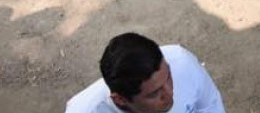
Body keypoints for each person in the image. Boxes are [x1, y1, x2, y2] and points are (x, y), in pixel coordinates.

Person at [65, 32, 225, 113]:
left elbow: (210, 106)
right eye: (154, 93)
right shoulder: (83, 110)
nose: (170, 93)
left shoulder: (182, 63)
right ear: (120, 99)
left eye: (168, 77)